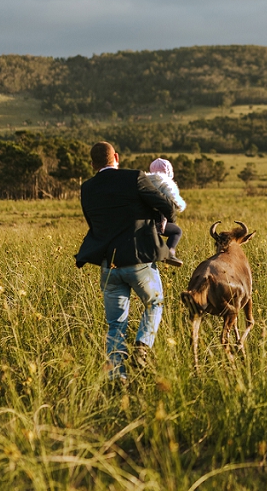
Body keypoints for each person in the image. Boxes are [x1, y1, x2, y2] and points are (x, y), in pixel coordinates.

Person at [75, 142, 177, 382]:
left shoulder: (87, 188)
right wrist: (157, 220)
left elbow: (93, 222)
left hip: (108, 266)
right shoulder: (135, 178)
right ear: (116, 157)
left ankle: (117, 378)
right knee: (155, 304)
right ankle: (143, 345)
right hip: (139, 261)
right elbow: (167, 206)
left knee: (115, 325)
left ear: (92, 164)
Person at [147, 158, 187, 267]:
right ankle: (169, 253)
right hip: (157, 222)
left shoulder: (144, 182)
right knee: (177, 231)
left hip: (142, 221)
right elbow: (174, 202)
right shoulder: (167, 184)